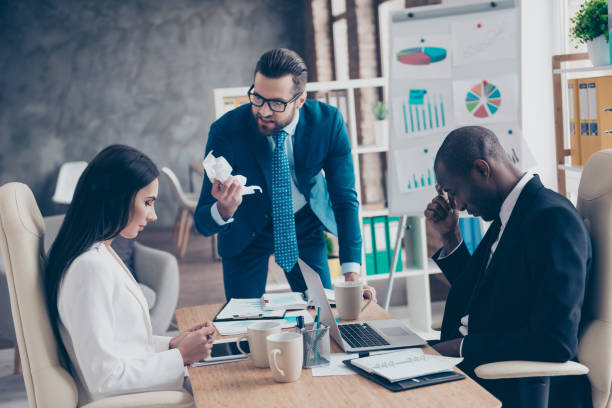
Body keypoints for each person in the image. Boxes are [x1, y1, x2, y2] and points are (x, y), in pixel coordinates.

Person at [424, 126, 591, 406]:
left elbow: (556, 340)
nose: (459, 206)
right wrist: (450, 236)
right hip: (475, 367)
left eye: (456, 192)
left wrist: (460, 347)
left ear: (482, 169)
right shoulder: (510, 213)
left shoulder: (552, 219)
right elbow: (483, 291)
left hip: (504, 382)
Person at [194, 48, 374, 301]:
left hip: (303, 225)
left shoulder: (328, 123)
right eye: (257, 98)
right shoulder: (226, 131)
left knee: (321, 314)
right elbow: (202, 221)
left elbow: (344, 198)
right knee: (243, 326)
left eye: (277, 103)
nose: (264, 111)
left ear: (300, 100)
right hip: (246, 229)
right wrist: (223, 210)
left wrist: (352, 274)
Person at [45, 145, 215, 405]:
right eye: (147, 202)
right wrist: (180, 356)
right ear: (116, 198)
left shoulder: (101, 253)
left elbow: (123, 346)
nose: (154, 215)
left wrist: (172, 344)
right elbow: (104, 379)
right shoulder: (89, 269)